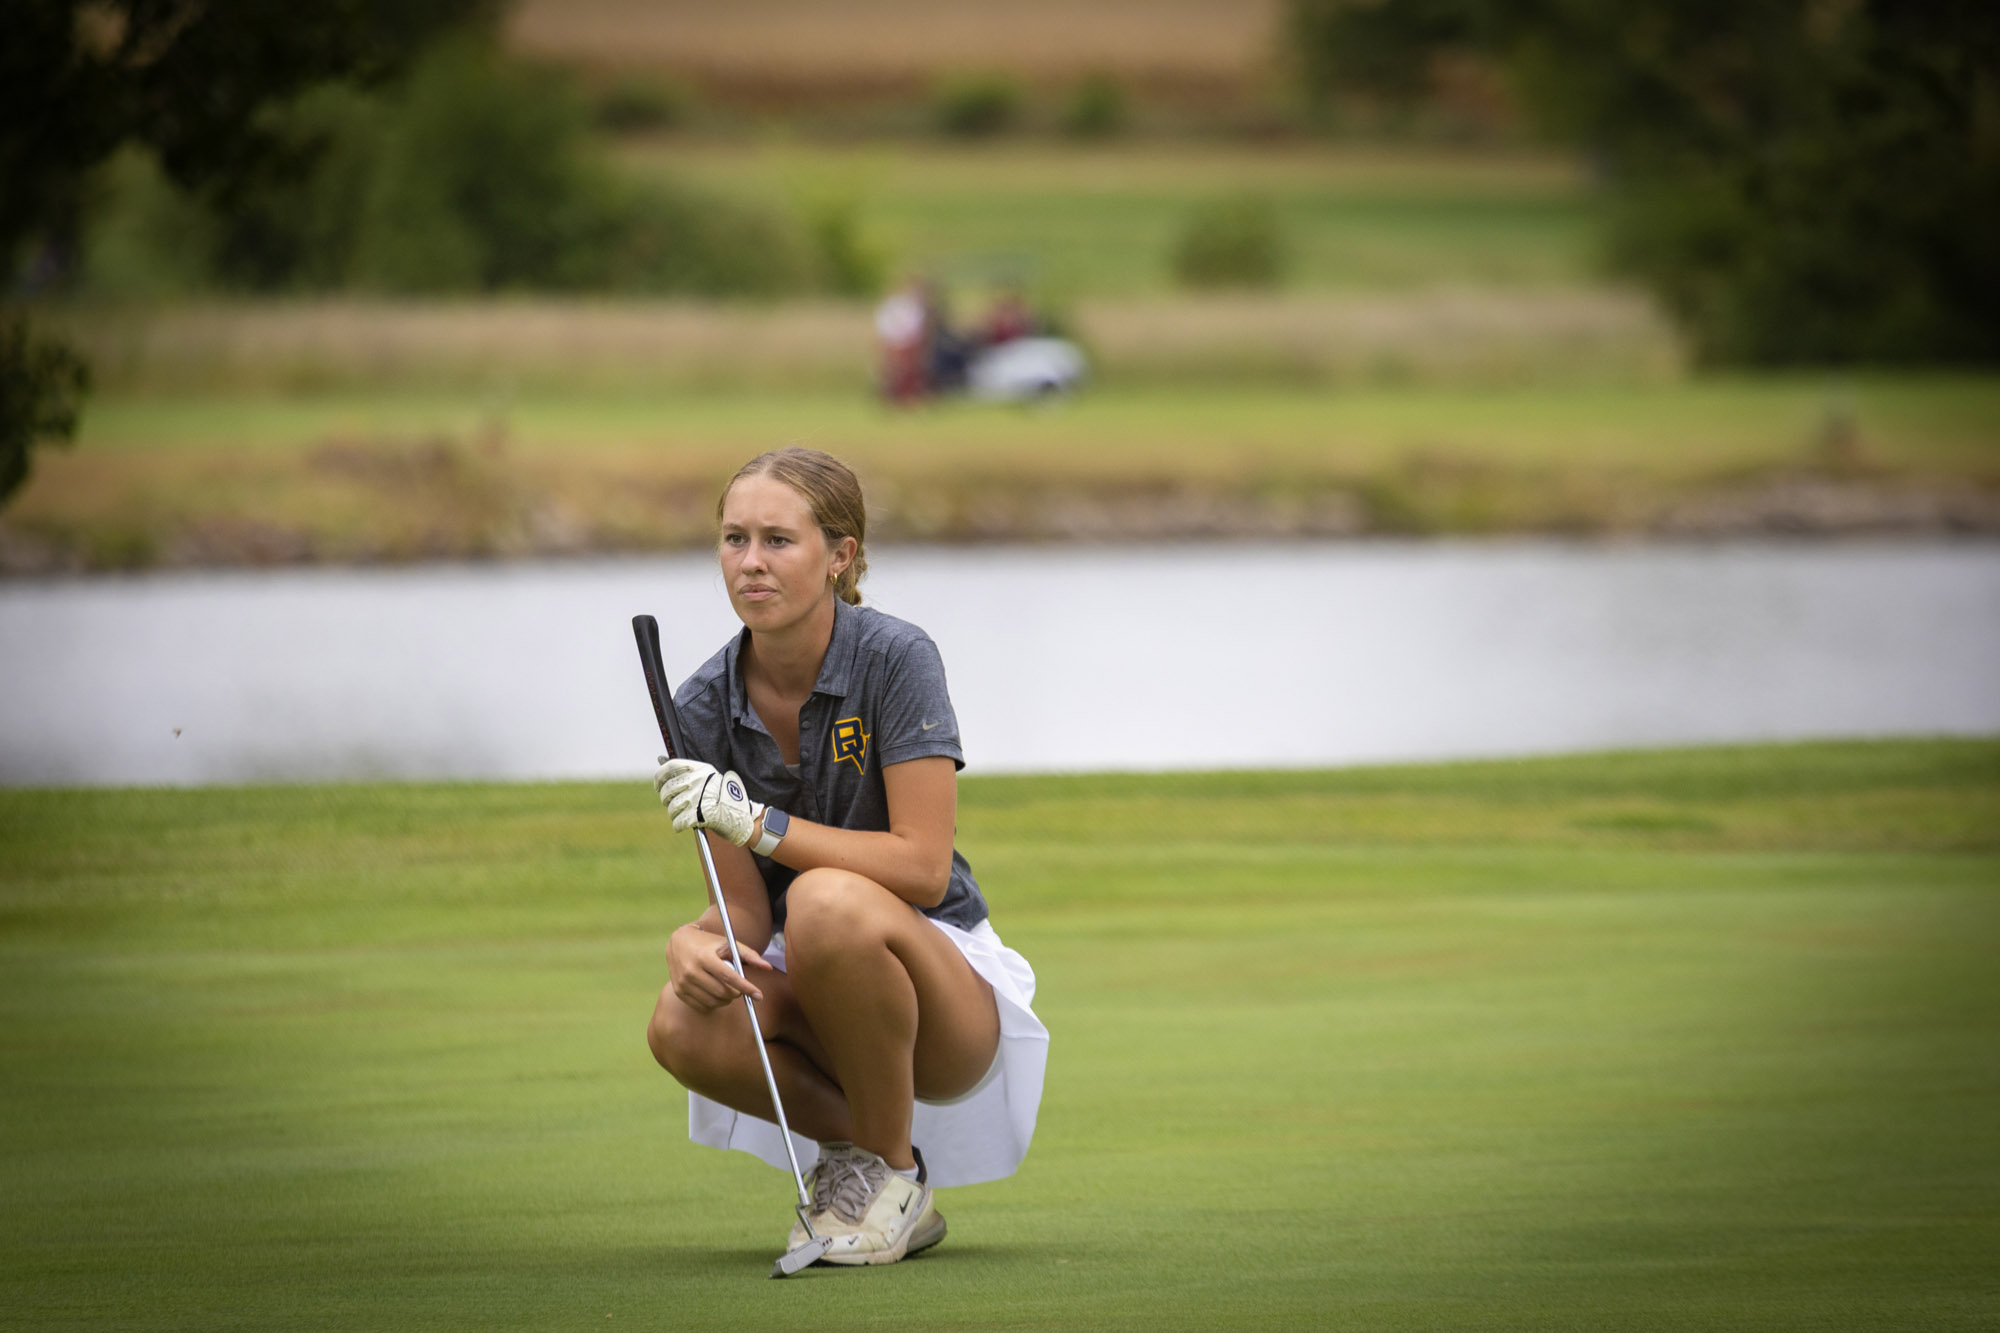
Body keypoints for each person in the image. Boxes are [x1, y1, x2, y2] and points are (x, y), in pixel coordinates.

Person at [645, 447, 1048, 1267]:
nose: (750, 562)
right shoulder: (698, 704)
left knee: (827, 899)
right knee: (681, 1021)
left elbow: (922, 866)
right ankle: (876, 1170)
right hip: (815, 987)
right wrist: (695, 939)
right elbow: (750, 916)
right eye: (733, 539)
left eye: (778, 540)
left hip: (943, 989)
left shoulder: (895, 657)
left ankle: (891, 1170)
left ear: (840, 555)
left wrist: (758, 824)